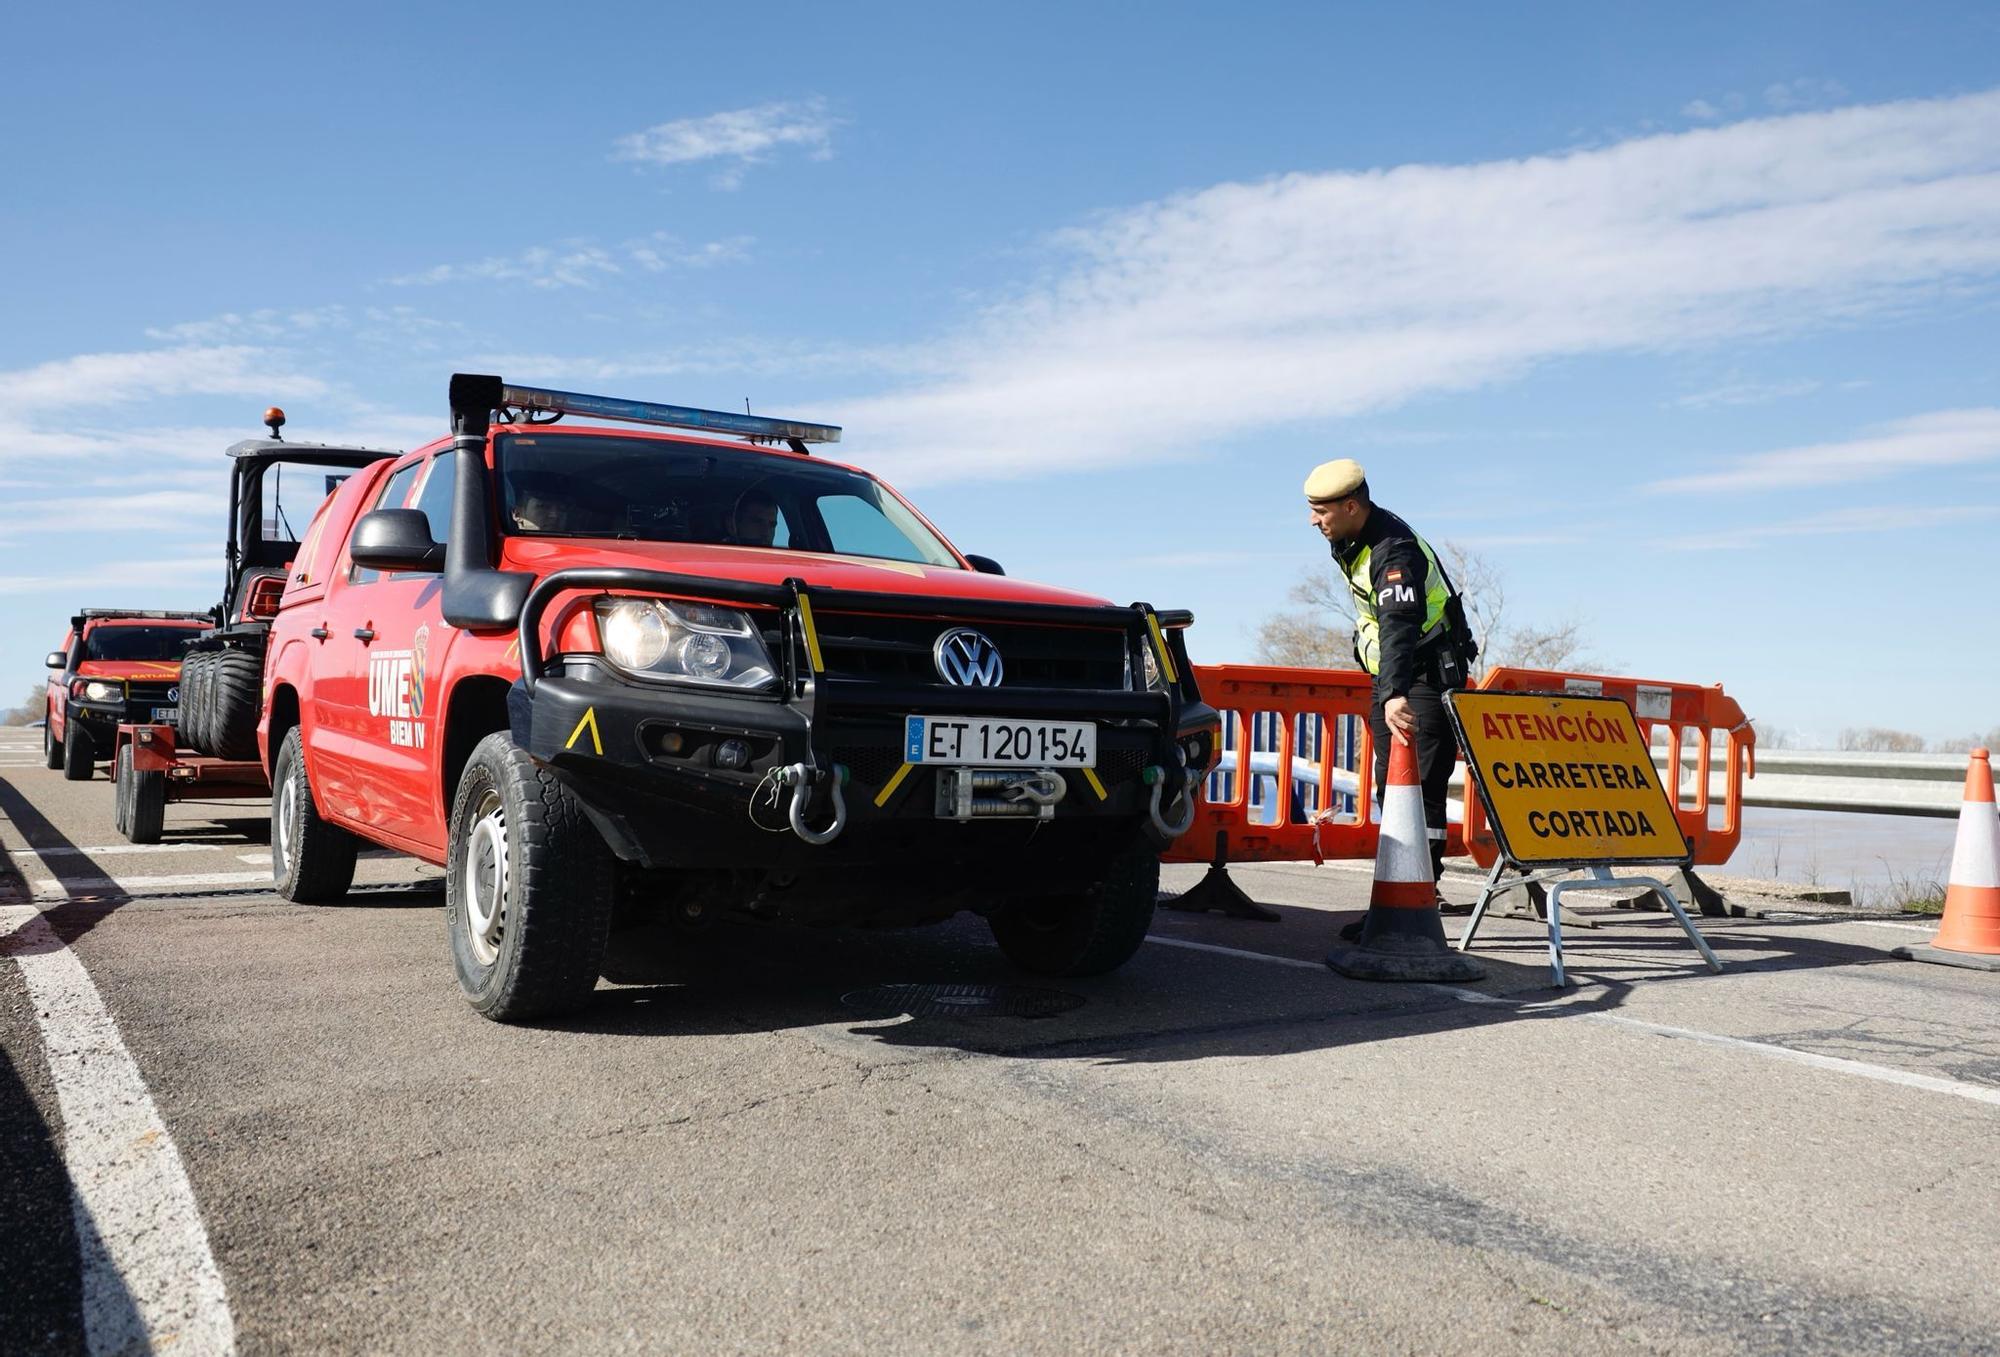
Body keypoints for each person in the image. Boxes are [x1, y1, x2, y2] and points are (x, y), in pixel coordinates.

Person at [1305, 458, 1478, 908]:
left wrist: (1395, 694)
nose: (1313, 520)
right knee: (1396, 786)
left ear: (1350, 505)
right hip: (1397, 676)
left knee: (1419, 787)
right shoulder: (1353, 537)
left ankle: (1417, 895)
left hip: (1420, 676)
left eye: (1321, 510)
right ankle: (1404, 890)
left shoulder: (1392, 550)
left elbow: (1399, 624)